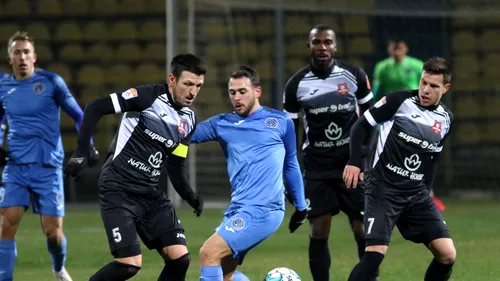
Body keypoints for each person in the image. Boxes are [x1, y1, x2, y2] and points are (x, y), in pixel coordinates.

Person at [64, 54, 206, 281]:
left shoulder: (189, 120)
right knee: (128, 265)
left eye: (198, 86)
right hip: (119, 189)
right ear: (172, 79)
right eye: (187, 84)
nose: (193, 91)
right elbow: (95, 107)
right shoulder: (146, 96)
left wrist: (190, 195)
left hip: (150, 195)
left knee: (180, 259)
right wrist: (81, 151)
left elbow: (175, 165)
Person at [343, 57, 456, 281]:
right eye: (424, 82)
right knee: (375, 254)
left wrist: (428, 191)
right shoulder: (398, 101)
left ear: (446, 88)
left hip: (416, 194)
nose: (425, 89)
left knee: (447, 255)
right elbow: (361, 125)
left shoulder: (446, 119)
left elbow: (432, 158)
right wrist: (354, 161)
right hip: (383, 189)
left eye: (433, 86)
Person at [192, 65, 308, 281]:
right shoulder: (222, 123)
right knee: (226, 274)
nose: (237, 97)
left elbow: (290, 164)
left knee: (209, 252)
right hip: (238, 209)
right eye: (232, 92)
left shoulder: (281, 123)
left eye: (242, 91)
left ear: (257, 91)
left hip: (264, 210)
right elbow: (185, 135)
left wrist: (301, 206)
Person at [283, 24, 378, 281]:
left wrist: (359, 160)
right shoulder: (296, 84)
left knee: (363, 230)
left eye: (327, 42)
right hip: (317, 167)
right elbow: (289, 133)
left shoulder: (354, 75)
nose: (322, 47)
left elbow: (371, 121)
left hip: (351, 165)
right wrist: (290, 175)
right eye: (317, 42)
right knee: (318, 231)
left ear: (335, 46)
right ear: (309, 46)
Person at [0, 31, 97, 281]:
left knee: (53, 233)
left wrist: (87, 146)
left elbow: (79, 115)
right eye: (16, 52)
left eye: (26, 52)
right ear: (9, 58)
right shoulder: (3, 87)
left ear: (34, 57)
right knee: (7, 225)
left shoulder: (52, 82)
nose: (21, 56)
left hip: (48, 167)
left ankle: (58, 268)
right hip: (16, 166)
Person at [372, 39, 446, 212]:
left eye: (400, 47)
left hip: (419, 117)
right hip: (394, 118)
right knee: (389, 157)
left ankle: (428, 195)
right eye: (393, 47)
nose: (397, 51)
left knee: (423, 157)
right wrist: (377, 117)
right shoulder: (382, 67)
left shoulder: (417, 65)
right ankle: (383, 194)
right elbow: (376, 94)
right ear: (389, 48)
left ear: (406, 48)